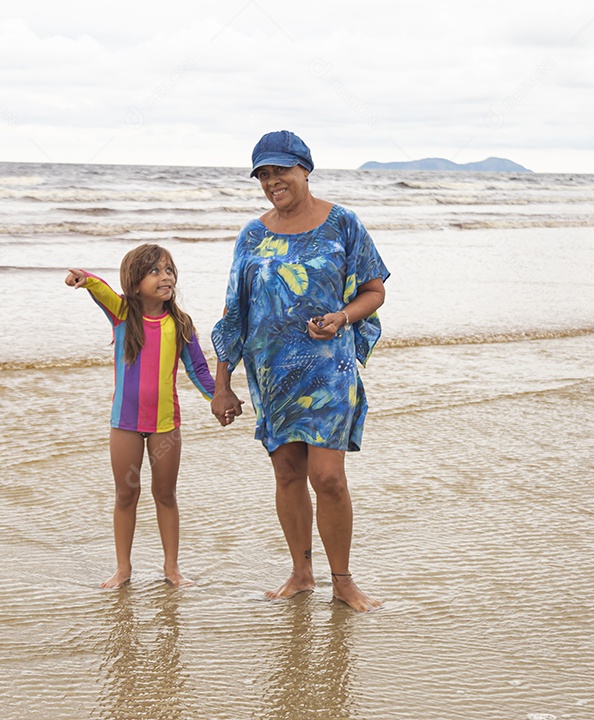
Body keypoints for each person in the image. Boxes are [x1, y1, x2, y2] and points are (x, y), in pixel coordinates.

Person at [211, 131, 389, 612]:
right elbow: (236, 312)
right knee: (288, 473)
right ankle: (301, 573)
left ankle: (343, 580)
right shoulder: (253, 234)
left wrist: (342, 317)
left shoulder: (342, 224)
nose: (272, 182)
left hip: (329, 370)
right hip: (271, 373)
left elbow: (374, 291)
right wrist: (222, 385)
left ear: (304, 169)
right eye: (263, 175)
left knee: (327, 477)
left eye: (280, 171)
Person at [65, 244, 215, 589]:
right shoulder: (122, 314)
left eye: (168, 270)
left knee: (165, 494)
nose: (165, 277)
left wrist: (219, 398)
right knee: (125, 495)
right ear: (134, 284)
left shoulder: (181, 324)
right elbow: (101, 290)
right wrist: (83, 279)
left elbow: (199, 371)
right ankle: (123, 569)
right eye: (154, 271)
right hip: (125, 425)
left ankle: (172, 569)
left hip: (166, 425)